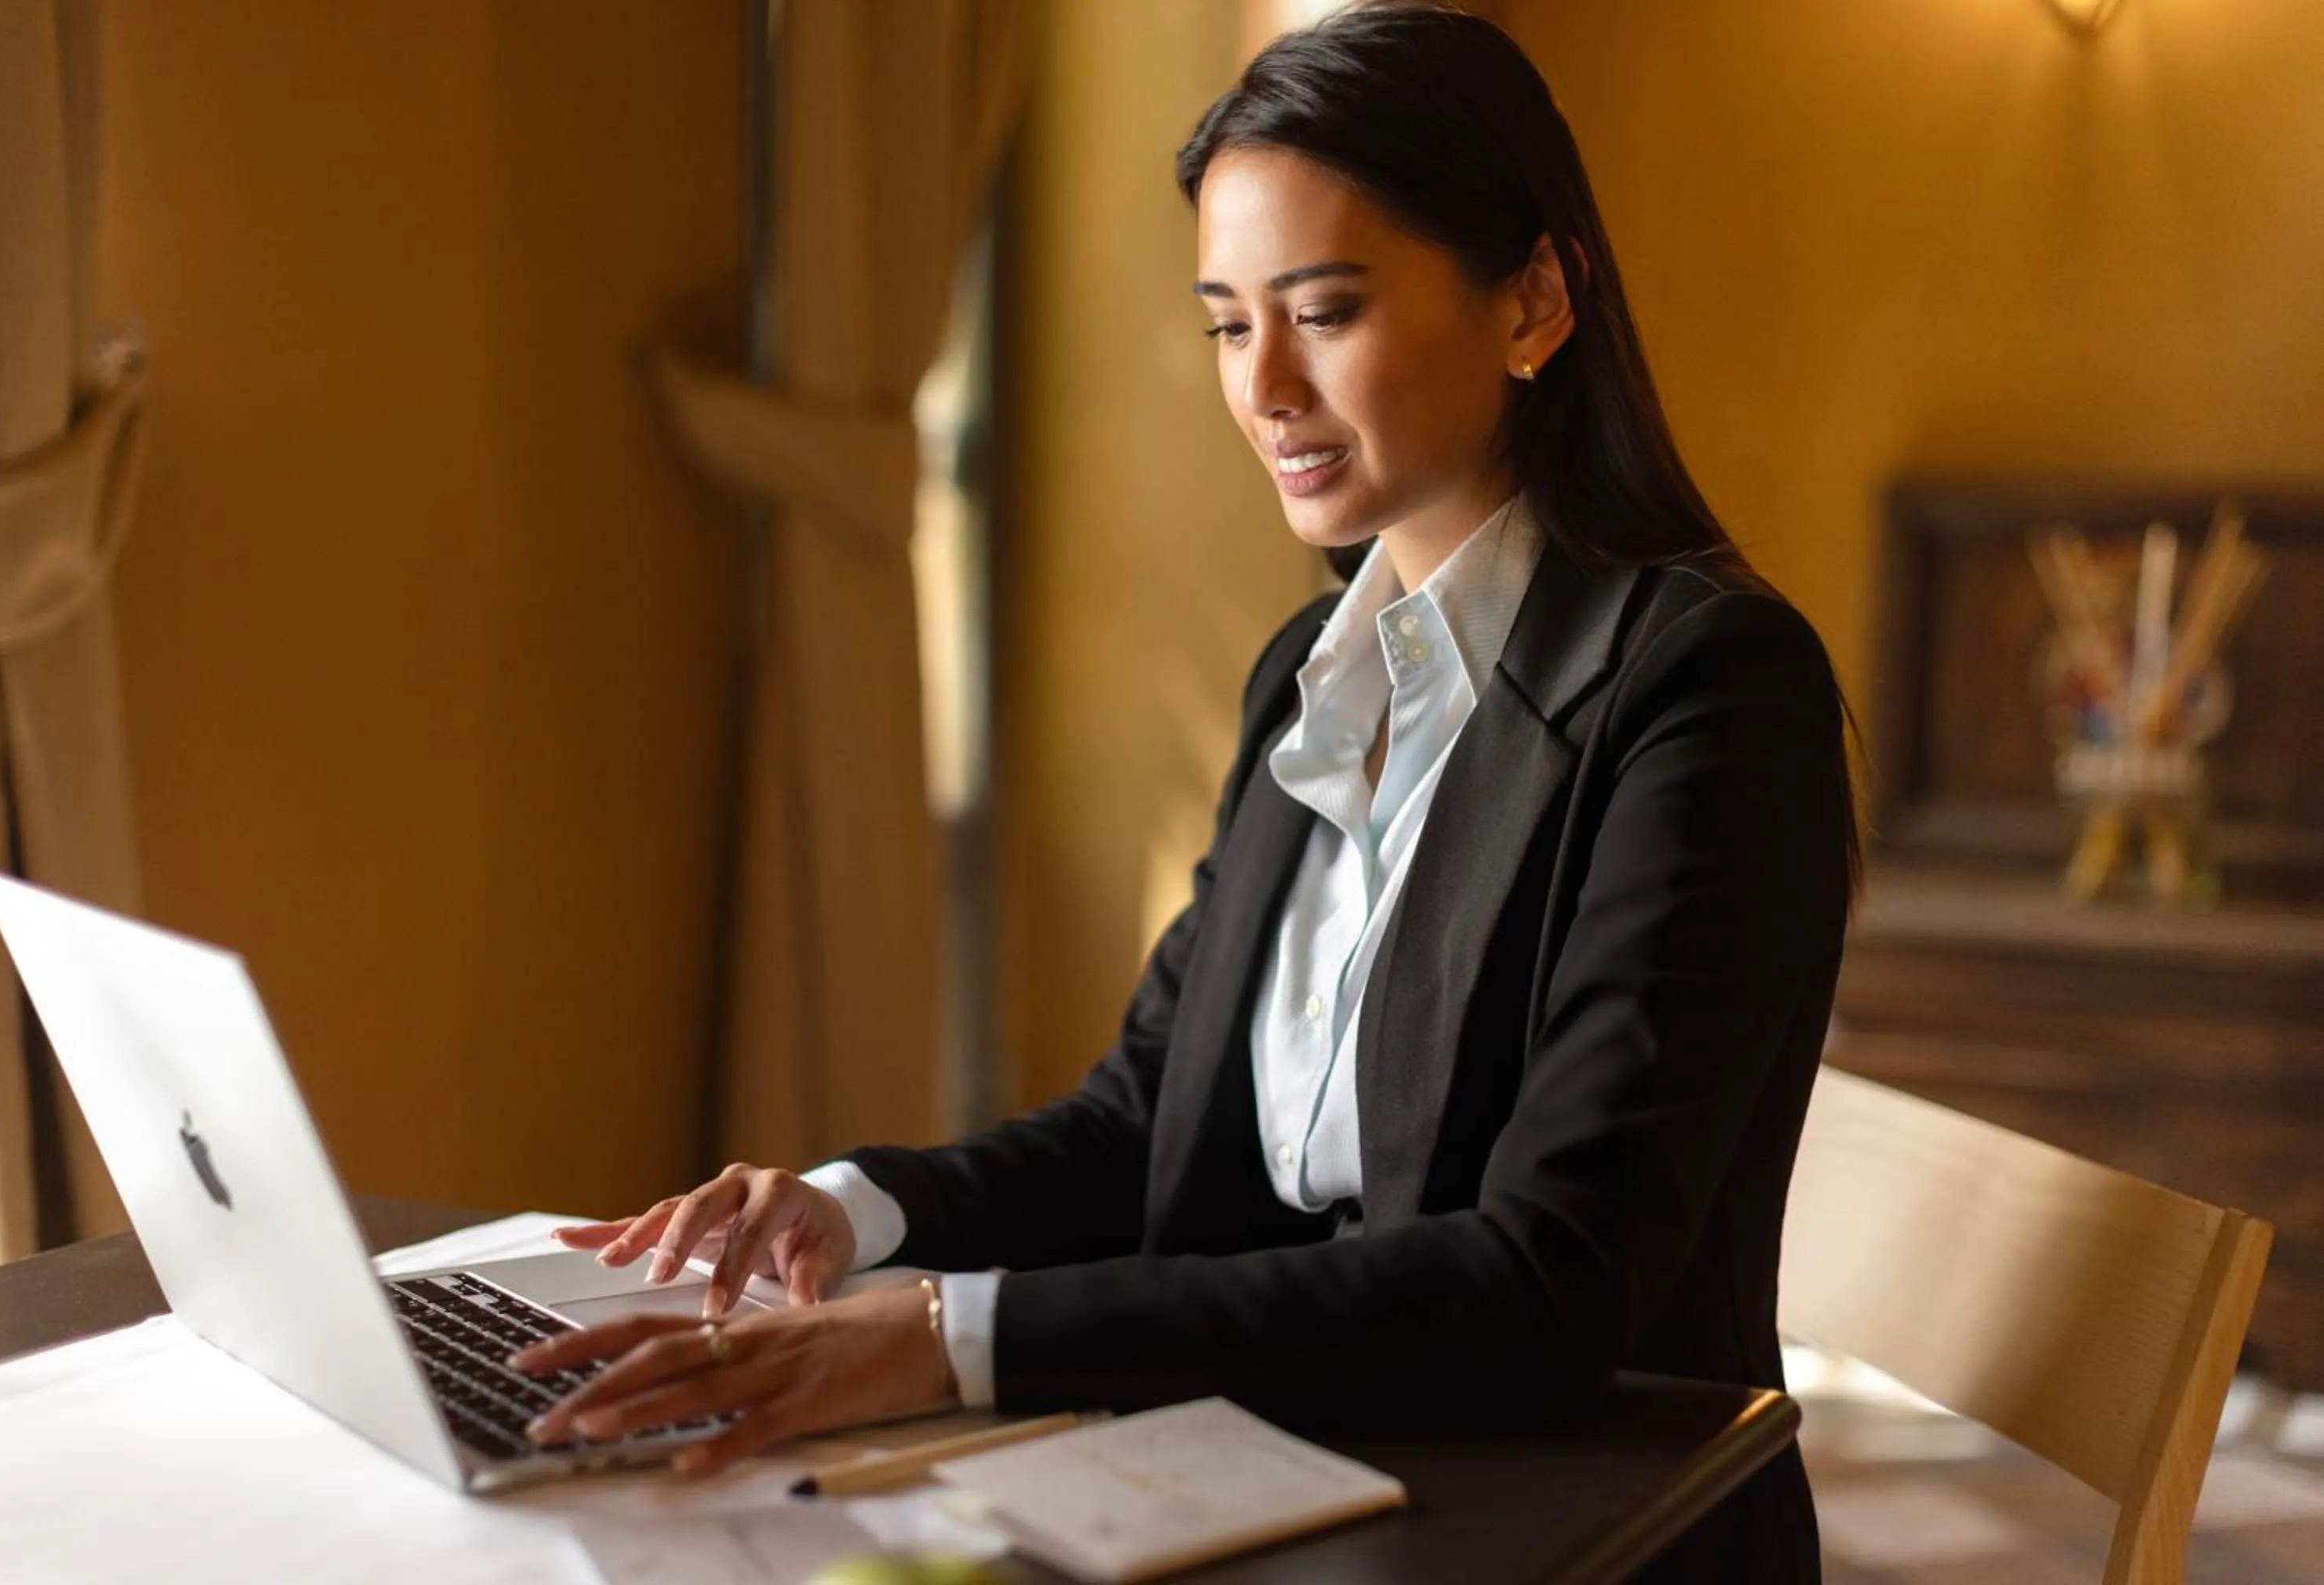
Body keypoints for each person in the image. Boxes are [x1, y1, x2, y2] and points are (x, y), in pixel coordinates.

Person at [514, 8, 1856, 1577]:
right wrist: (852, 1212)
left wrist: (949, 1337)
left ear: (1536, 301)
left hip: (1572, 1526)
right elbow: (1149, 1118)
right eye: (1228, 323)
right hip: (1280, 1469)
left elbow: (1548, 1283)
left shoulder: (1703, 687)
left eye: (1326, 309)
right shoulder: (1311, 673)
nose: (1266, 385)